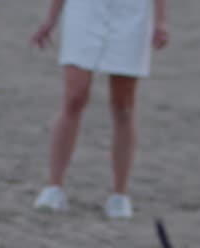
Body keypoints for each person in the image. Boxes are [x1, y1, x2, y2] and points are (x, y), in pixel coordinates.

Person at [30, 0, 168, 220]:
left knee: (123, 105)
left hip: (131, 12)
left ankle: (119, 194)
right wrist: (51, 19)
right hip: (85, 9)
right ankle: (54, 187)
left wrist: (161, 20)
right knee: (75, 97)